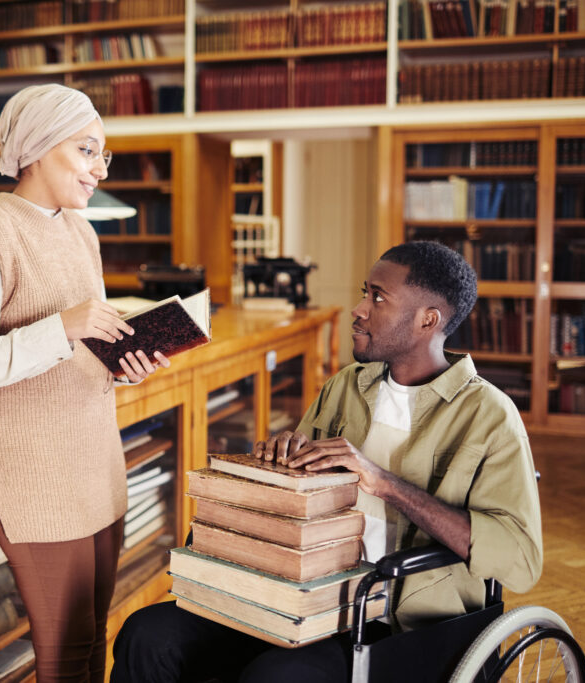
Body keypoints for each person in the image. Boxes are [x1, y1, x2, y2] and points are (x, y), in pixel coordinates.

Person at [110, 241, 543, 683]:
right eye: (364, 292)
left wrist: (384, 483)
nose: (358, 309)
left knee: (279, 676)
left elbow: (521, 560)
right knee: (147, 634)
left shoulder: (489, 415)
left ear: (427, 319)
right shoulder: (344, 387)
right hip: (303, 597)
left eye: (378, 297)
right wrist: (280, 462)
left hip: (399, 622)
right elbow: (298, 496)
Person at [0, 84, 170, 683]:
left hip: (92, 453)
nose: (99, 169)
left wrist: (119, 363)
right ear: (38, 148)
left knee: (94, 637)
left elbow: (75, 348)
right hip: (28, 467)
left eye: (104, 155)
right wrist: (62, 327)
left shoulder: (80, 230)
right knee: (64, 651)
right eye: (87, 150)